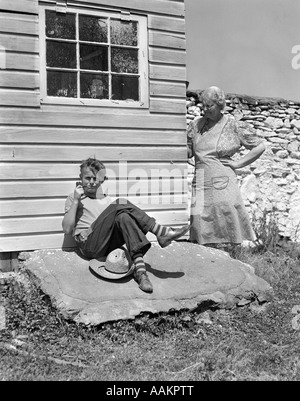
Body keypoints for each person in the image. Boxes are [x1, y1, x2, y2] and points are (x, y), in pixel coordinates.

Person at [62, 158, 190, 293]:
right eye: (87, 178)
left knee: (124, 217)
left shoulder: (106, 200)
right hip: (87, 244)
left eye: (95, 178)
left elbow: (110, 228)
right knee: (121, 203)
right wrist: (76, 200)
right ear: (80, 178)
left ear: (102, 180)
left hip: (105, 246)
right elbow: (67, 229)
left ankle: (141, 273)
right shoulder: (74, 198)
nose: (92, 182)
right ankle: (161, 231)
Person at [187, 86, 266, 250]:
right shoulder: (196, 125)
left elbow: (259, 147)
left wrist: (238, 164)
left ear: (220, 105)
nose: (205, 109)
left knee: (223, 222)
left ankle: (230, 264)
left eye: (209, 105)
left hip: (223, 183)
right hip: (201, 181)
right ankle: (207, 264)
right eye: (203, 105)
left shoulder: (232, 125)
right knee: (200, 222)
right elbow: (188, 151)